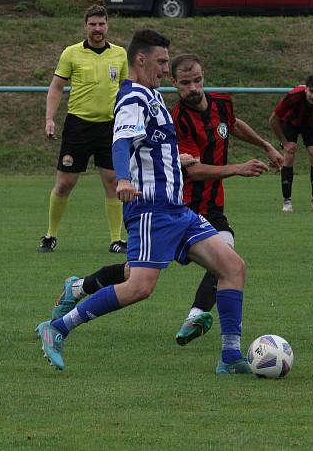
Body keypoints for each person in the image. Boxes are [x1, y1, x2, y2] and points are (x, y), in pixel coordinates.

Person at [36, 29, 252, 375]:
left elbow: (147, 146)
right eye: (162, 61)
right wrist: (122, 178)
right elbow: (121, 142)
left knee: (233, 267)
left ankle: (230, 357)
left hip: (178, 210)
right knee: (139, 287)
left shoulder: (152, 97)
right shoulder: (133, 97)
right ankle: (57, 328)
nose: (166, 69)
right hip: (152, 210)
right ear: (141, 60)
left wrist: (173, 159)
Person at [38, 4, 128, 254]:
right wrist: (49, 118)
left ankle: (116, 239)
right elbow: (56, 87)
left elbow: (126, 89)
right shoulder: (71, 53)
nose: (97, 29)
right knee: (65, 182)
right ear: (85, 26)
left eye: (101, 24)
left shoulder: (120, 54)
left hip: (110, 126)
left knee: (113, 181)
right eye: (93, 24)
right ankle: (50, 235)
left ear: (107, 25)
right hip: (78, 125)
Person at [269, 75, 313, 213]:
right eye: (311, 91)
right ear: (306, 89)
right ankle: (287, 202)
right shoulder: (292, 96)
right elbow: (273, 120)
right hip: (290, 123)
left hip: (310, 125)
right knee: (289, 155)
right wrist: (285, 143)